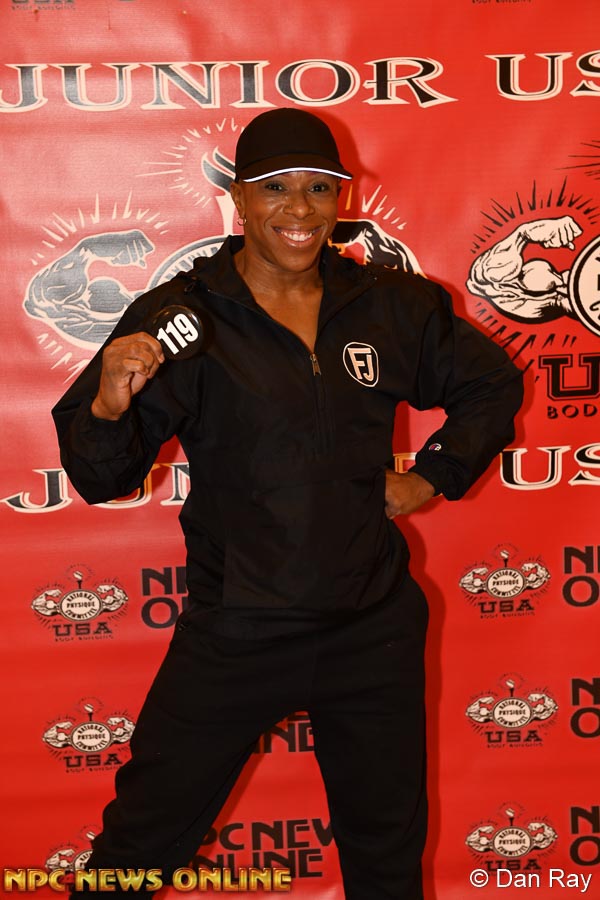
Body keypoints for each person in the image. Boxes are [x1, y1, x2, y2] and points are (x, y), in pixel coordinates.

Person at [52, 107, 524, 899]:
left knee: (386, 858)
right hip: (238, 630)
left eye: (318, 188)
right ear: (239, 198)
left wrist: (432, 476)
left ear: (341, 199)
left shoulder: (390, 303)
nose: (299, 209)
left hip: (371, 627)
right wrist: (107, 405)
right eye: (275, 188)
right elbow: (103, 476)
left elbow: (492, 384)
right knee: (137, 849)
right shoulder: (184, 318)